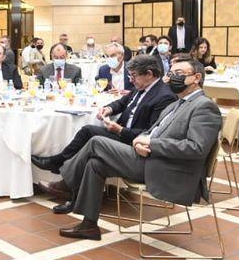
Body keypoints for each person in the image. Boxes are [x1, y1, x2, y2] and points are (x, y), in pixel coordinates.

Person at [56, 58, 221, 239]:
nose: (172, 78)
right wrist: (139, 141)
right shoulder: (178, 102)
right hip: (148, 157)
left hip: (167, 168)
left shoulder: (204, 106)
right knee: (95, 164)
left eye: (179, 74)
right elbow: (152, 131)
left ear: (196, 77)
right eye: (171, 73)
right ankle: (89, 225)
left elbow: (196, 148)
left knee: (96, 141)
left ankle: (66, 182)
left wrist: (152, 145)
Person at [34, 54, 174, 187]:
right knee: (89, 138)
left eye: (133, 76)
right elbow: (121, 102)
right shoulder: (142, 87)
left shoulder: (164, 96)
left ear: (149, 74)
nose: (131, 80)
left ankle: (59, 166)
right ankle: (64, 177)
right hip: (123, 133)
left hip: (135, 144)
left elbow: (151, 133)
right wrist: (109, 109)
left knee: (90, 136)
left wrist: (120, 130)